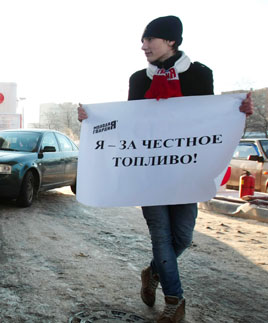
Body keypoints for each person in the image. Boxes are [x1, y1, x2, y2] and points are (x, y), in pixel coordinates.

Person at [78, 16, 253, 323]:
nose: (143, 46)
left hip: (185, 171)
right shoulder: (138, 79)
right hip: (149, 172)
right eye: (143, 41)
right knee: (161, 237)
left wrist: (236, 113)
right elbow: (131, 122)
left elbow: (208, 119)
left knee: (182, 238)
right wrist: (92, 119)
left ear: (171, 40)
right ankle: (174, 302)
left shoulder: (200, 74)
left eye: (150, 39)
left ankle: (152, 272)